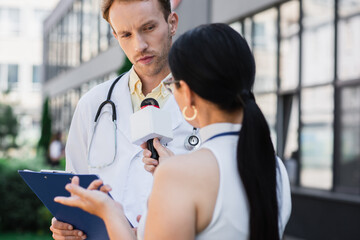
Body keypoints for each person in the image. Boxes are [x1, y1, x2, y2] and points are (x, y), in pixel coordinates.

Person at [55, 23, 292, 240]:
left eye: (172, 85)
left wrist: (109, 213)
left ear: (186, 92)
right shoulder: (275, 168)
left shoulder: (179, 175)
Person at [50, 0, 195, 239]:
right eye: (126, 34)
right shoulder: (92, 105)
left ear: (172, 23)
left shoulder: (207, 99)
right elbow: (74, 190)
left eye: (148, 28)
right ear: (115, 35)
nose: (140, 45)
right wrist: (68, 226)